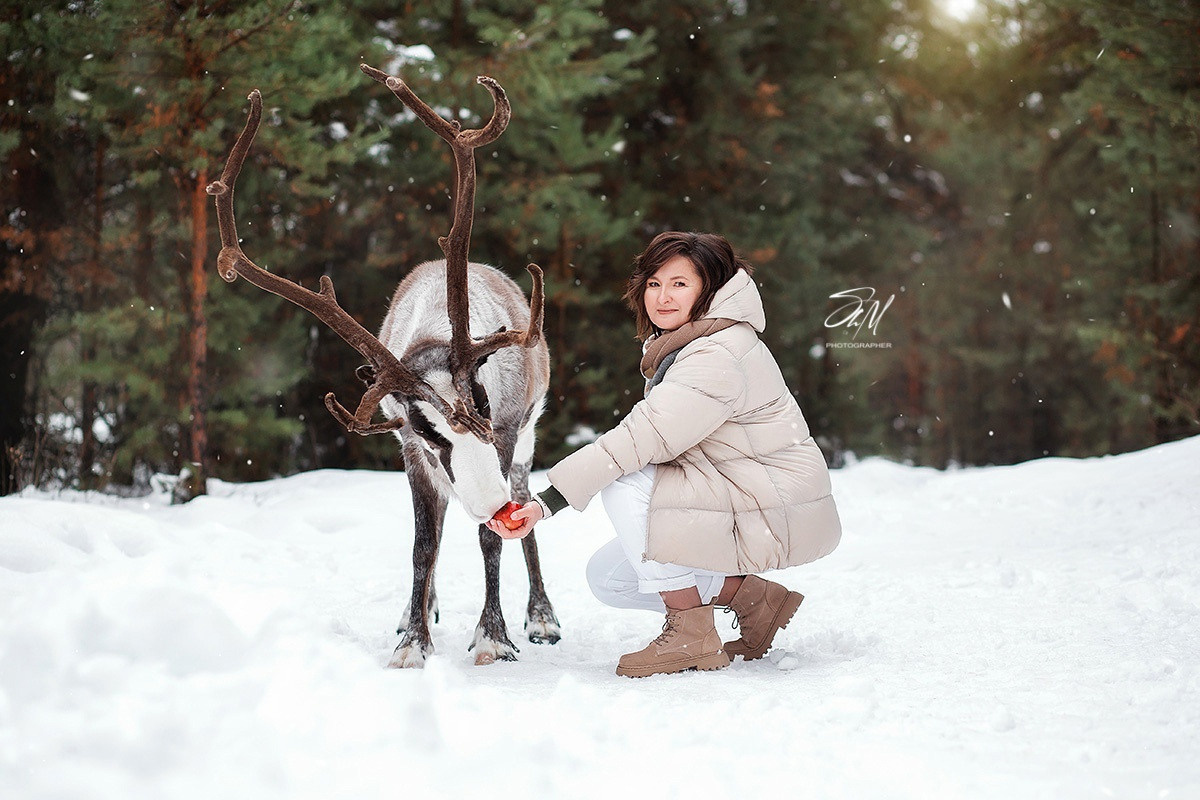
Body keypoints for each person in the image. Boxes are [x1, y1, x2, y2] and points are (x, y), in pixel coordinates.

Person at [485, 231, 842, 678]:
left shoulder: (717, 353)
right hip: (743, 491)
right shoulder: (693, 343)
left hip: (772, 503)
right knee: (611, 578)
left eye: (679, 284)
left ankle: (690, 633)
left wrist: (547, 502)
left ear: (710, 289)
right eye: (654, 284)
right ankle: (753, 599)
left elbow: (641, 439)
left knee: (626, 481)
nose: (663, 297)